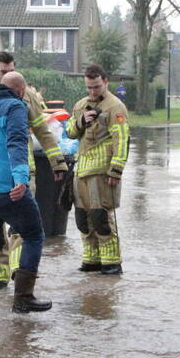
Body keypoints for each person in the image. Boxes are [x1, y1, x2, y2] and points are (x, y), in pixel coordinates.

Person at [0, 51, 67, 288]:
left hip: (21, 172)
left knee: (20, 228)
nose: (8, 75)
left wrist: (57, 161)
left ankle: (19, 272)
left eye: (11, 70)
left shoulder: (27, 96)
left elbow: (42, 130)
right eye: (4, 71)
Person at [65, 64, 130, 275]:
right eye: (89, 87)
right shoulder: (80, 105)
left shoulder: (115, 107)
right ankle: (91, 259)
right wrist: (80, 121)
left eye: (96, 87)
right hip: (81, 170)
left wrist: (116, 170)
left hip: (102, 171)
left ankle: (111, 262)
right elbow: (69, 132)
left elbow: (122, 139)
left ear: (105, 82)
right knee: (83, 219)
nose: (92, 91)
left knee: (101, 217)